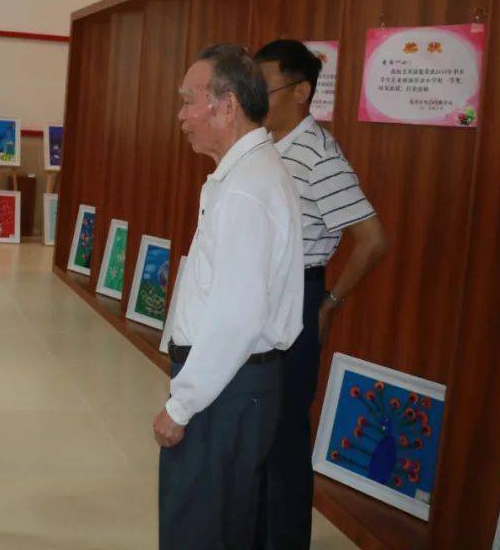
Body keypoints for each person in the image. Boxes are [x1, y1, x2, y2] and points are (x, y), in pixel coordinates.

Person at [154, 44, 304, 549]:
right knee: (223, 522)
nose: (181, 114)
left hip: (227, 386)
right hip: (233, 381)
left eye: (188, 99)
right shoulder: (245, 173)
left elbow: (237, 316)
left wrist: (182, 405)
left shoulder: (247, 188)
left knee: (200, 528)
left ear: (227, 106)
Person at [254, 40, 389, 550]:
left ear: (301, 91)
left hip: (298, 293)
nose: (252, 97)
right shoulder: (264, 144)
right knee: (258, 427)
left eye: (262, 88)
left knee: (285, 436)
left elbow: (373, 240)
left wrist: (331, 303)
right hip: (262, 296)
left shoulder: (317, 154)